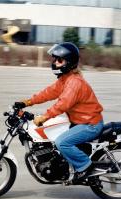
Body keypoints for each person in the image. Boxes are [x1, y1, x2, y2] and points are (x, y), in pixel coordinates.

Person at [17, 42, 104, 180]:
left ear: (68, 62)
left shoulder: (75, 83)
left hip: (90, 125)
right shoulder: (65, 79)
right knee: (53, 139)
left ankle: (86, 167)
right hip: (80, 122)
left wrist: (44, 117)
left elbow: (62, 104)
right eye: (54, 59)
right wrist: (27, 102)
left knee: (62, 142)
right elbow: (48, 93)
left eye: (59, 60)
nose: (55, 62)